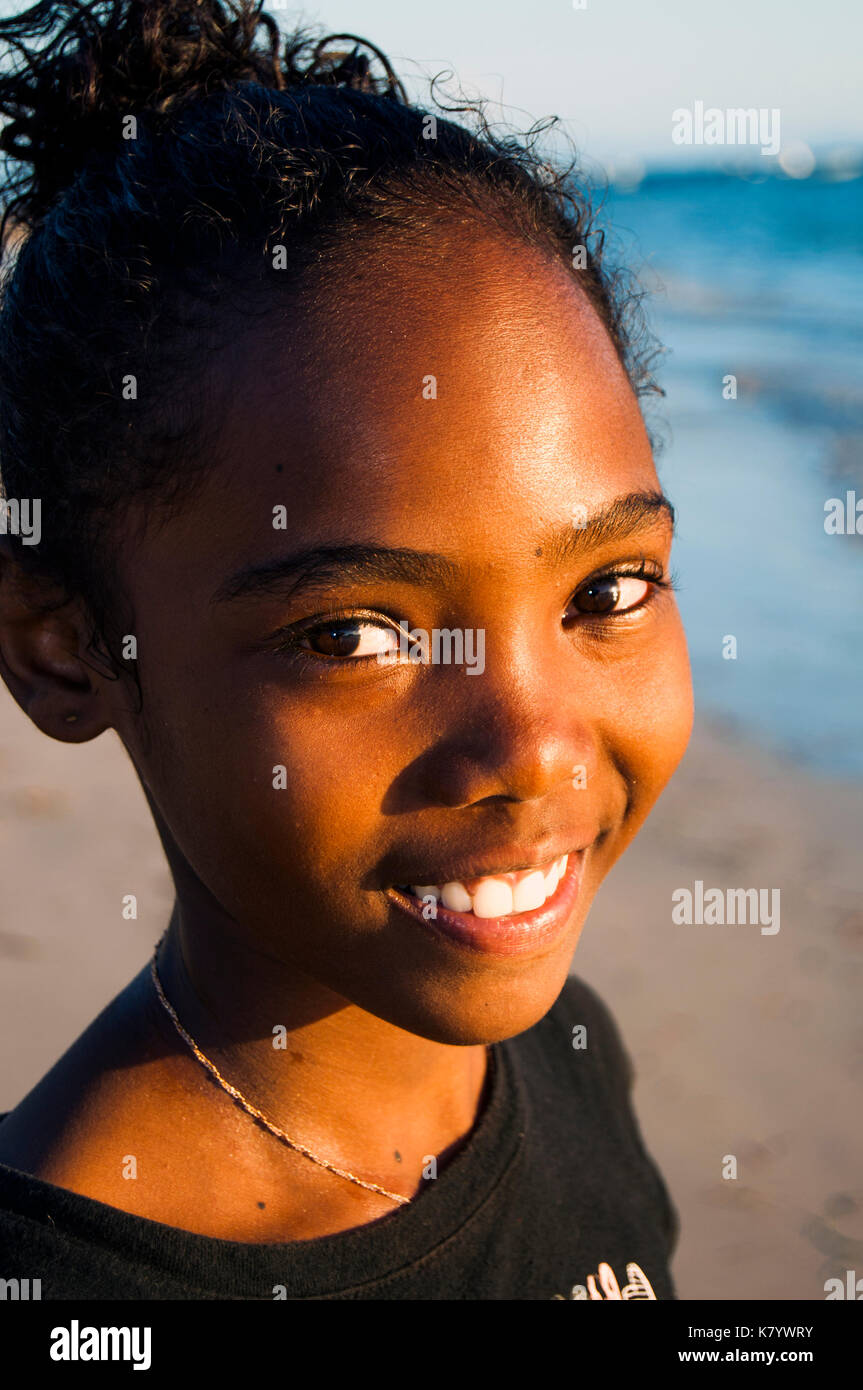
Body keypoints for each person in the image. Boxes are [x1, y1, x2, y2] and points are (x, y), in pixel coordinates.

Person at [0, 0, 693, 1300]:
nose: (534, 748)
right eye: (357, 633)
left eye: (608, 587)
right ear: (64, 647)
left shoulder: (573, 1056)